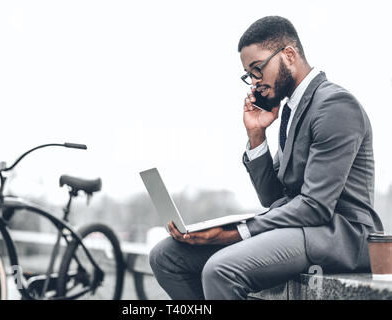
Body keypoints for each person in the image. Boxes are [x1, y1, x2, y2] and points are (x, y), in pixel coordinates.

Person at [148, 16, 384, 300]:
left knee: (221, 269)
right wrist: (257, 135)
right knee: (167, 256)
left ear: (288, 55)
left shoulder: (334, 105)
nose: (255, 82)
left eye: (258, 69)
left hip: (341, 234)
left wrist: (235, 233)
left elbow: (316, 206)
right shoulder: (289, 111)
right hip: (303, 228)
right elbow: (272, 197)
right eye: (249, 74)